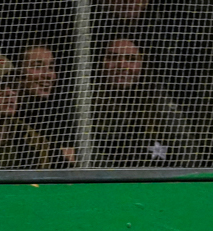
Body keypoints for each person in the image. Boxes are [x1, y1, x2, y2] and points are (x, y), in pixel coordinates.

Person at [90, 37, 192, 168]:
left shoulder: (156, 96)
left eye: (131, 59)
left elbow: (185, 145)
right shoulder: (85, 99)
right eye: (113, 58)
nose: (122, 66)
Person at [16, 42, 77, 168]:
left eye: (50, 67)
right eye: (37, 67)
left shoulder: (59, 116)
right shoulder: (7, 113)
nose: (48, 75)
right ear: (19, 73)